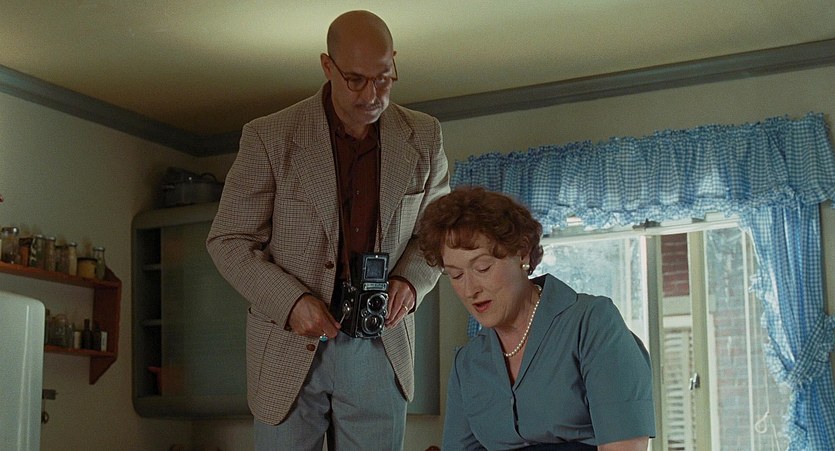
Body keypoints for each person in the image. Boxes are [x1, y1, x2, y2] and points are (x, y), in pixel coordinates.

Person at [206, 10, 449, 451]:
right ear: (327, 66)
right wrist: (291, 302)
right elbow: (228, 241)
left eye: (384, 78)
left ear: (394, 61)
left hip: (381, 343)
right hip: (288, 343)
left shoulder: (425, 136)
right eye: (355, 80)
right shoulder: (269, 136)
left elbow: (438, 234)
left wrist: (411, 282)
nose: (372, 95)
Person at [417, 187, 655, 451]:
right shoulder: (468, 363)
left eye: (483, 268)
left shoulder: (592, 323)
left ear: (522, 253)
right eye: (456, 275)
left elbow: (624, 444)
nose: (470, 289)